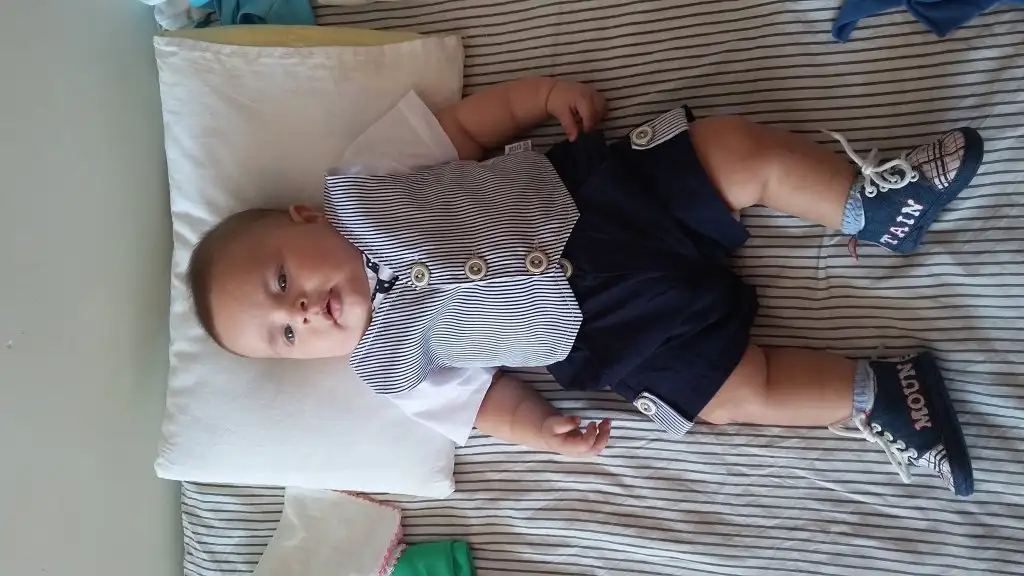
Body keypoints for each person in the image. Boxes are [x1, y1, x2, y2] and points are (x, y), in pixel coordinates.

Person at [187, 77, 983, 497]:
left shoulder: (363, 182)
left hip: (603, 203)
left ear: (304, 215)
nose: (299, 310)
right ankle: (878, 394)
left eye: (281, 279)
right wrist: (541, 430)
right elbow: (484, 403)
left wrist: (535, 99)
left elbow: (460, 130)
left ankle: (871, 205)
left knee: (732, 151)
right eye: (284, 334)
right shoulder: (390, 370)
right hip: (610, 331)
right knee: (733, 393)